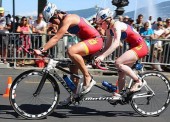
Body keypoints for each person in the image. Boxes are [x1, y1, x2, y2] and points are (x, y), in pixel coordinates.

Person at [34, 2, 103, 105]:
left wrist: (42, 49)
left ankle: (87, 77)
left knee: (71, 51)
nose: (53, 23)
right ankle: (74, 96)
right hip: (89, 42)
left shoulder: (68, 18)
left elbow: (56, 38)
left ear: (56, 14)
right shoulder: (63, 21)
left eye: (52, 20)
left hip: (96, 41)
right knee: (73, 66)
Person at [95, 8, 148, 95]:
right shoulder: (108, 30)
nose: (100, 26)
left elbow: (116, 43)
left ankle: (138, 81)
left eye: (101, 23)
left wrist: (102, 56)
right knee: (121, 72)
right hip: (133, 47)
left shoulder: (117, 25)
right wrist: (98, 55)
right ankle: (119, 94)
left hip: (141, 46)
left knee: (118, 62)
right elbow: (107, 46)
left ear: (107, 20)